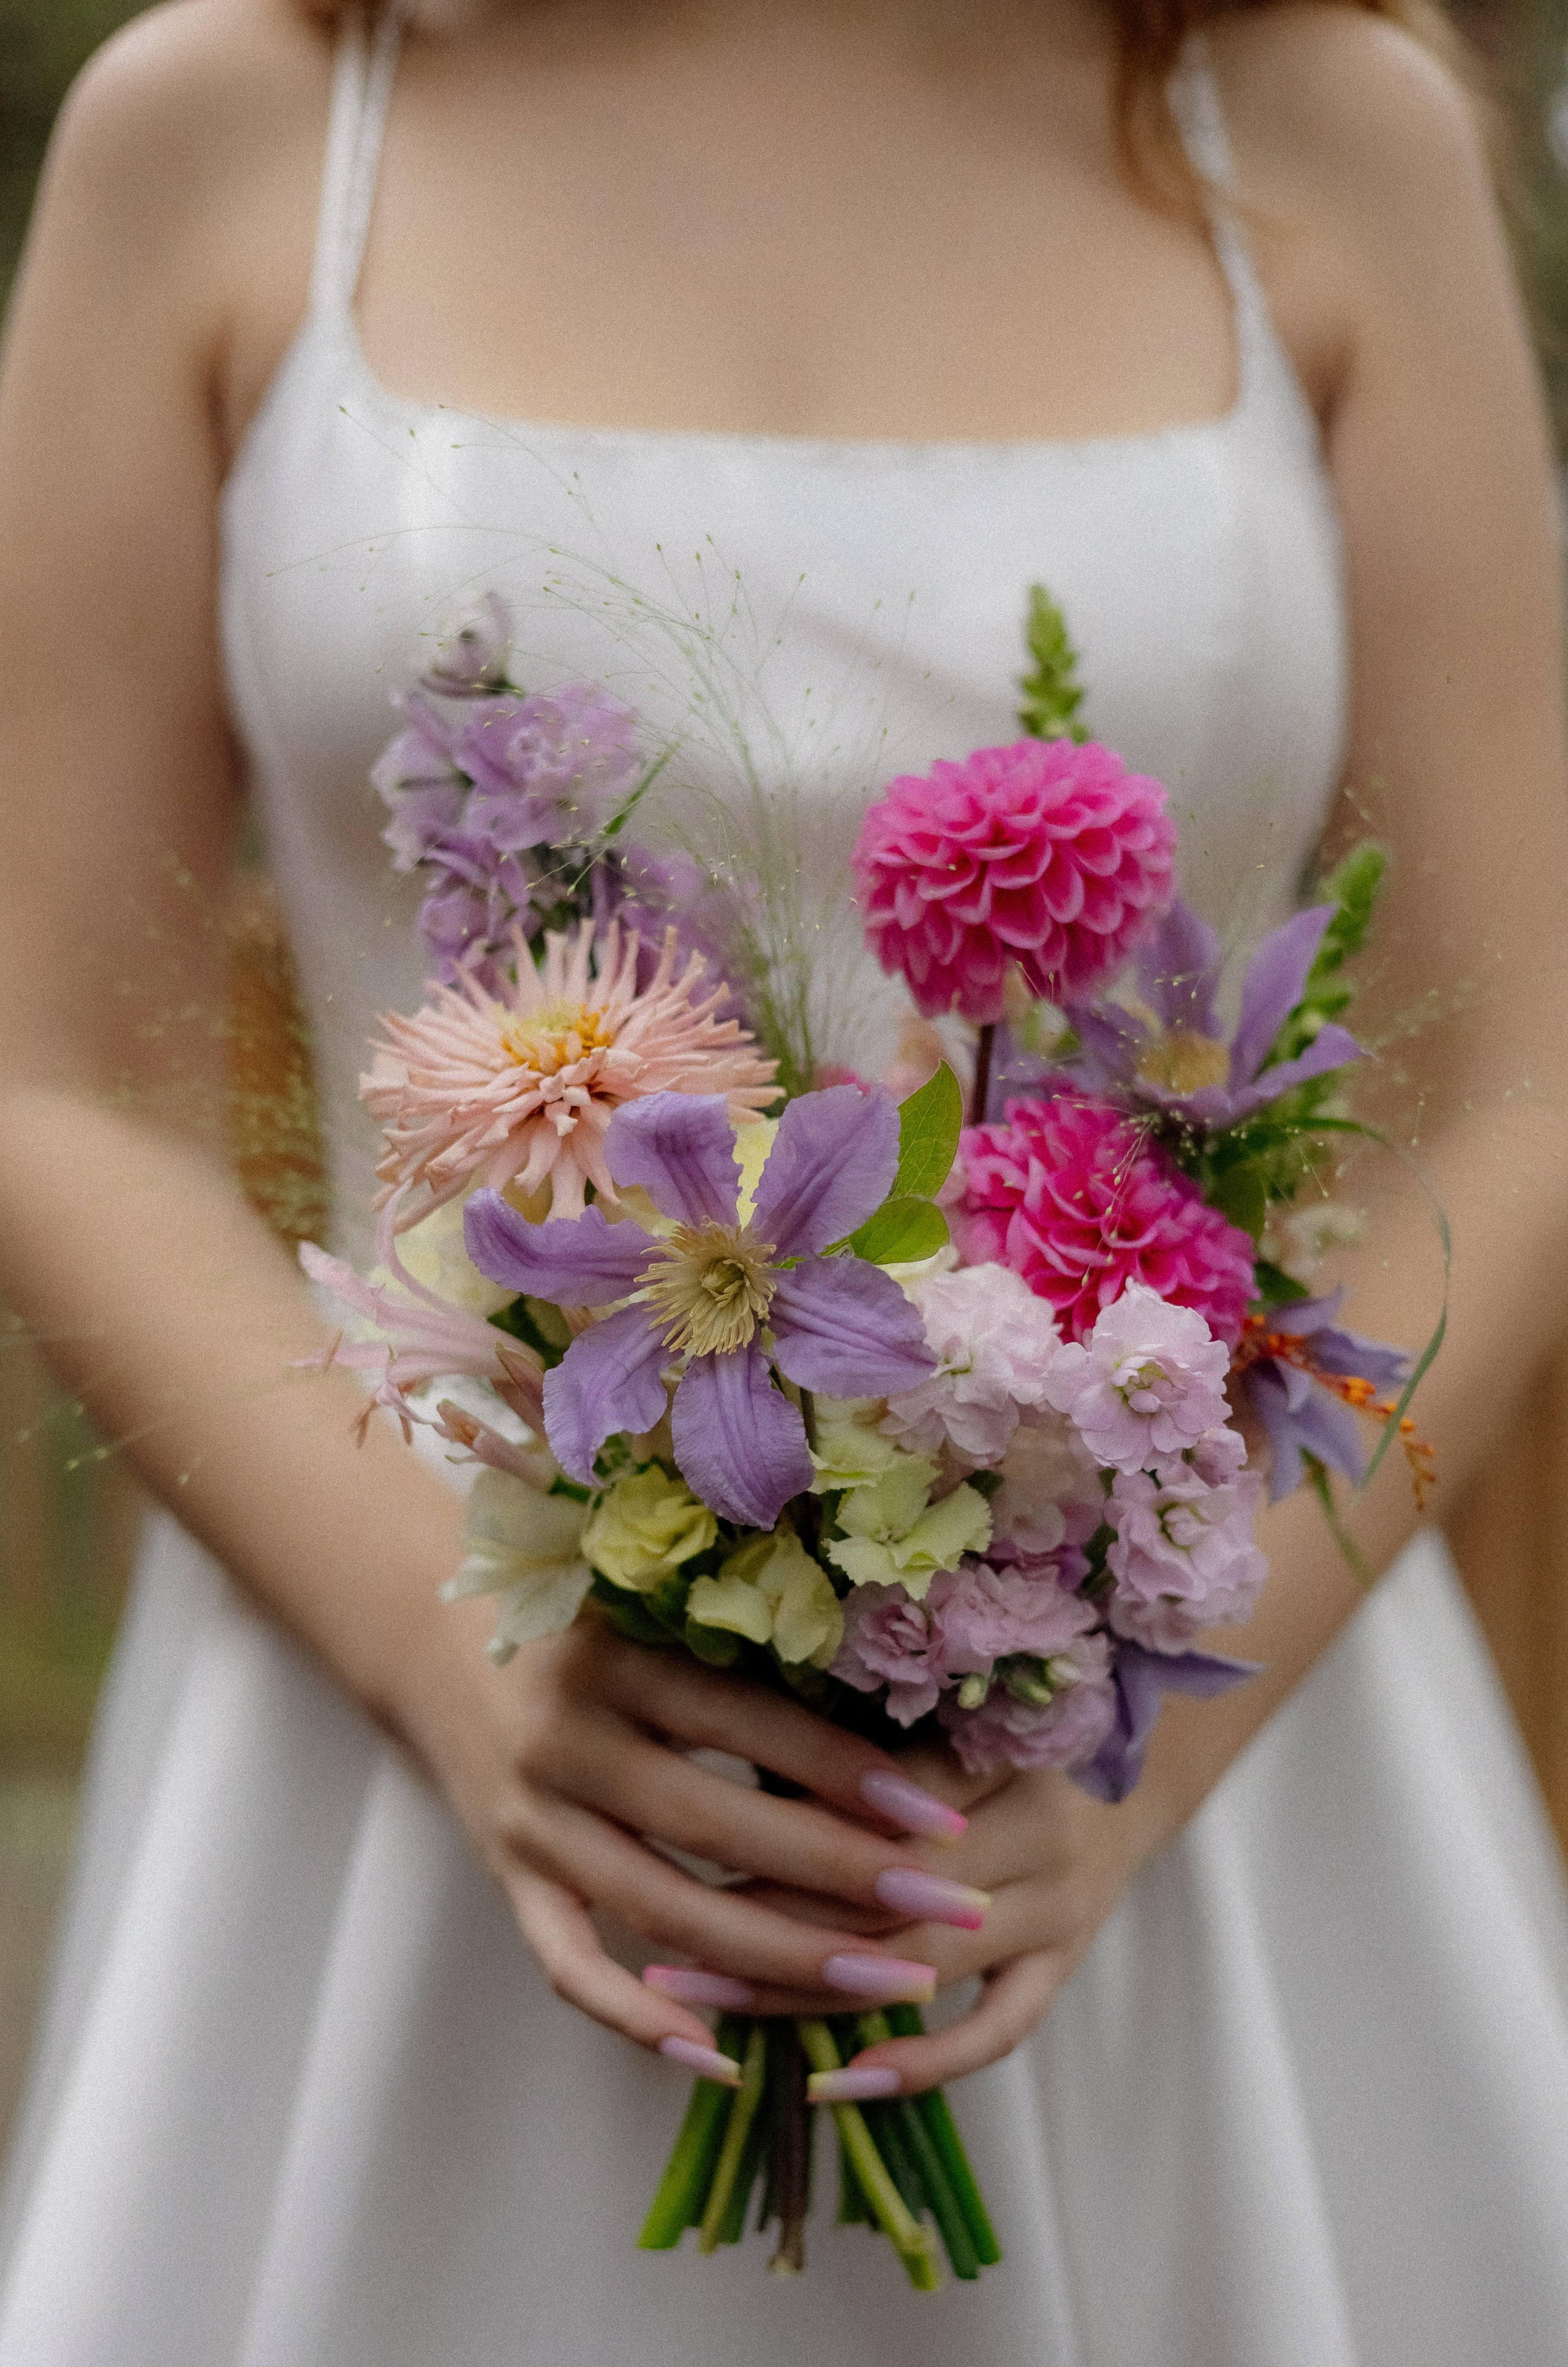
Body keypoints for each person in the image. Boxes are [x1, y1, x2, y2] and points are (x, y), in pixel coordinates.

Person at [2, 0, 1568, 2357]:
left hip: (1187, 1742)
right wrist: (459, 1663)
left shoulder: (1321, 128)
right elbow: (58, 1079)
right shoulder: (234, 125)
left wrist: (1133, 1765)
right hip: (424, 1716)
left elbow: (1515, 1081)